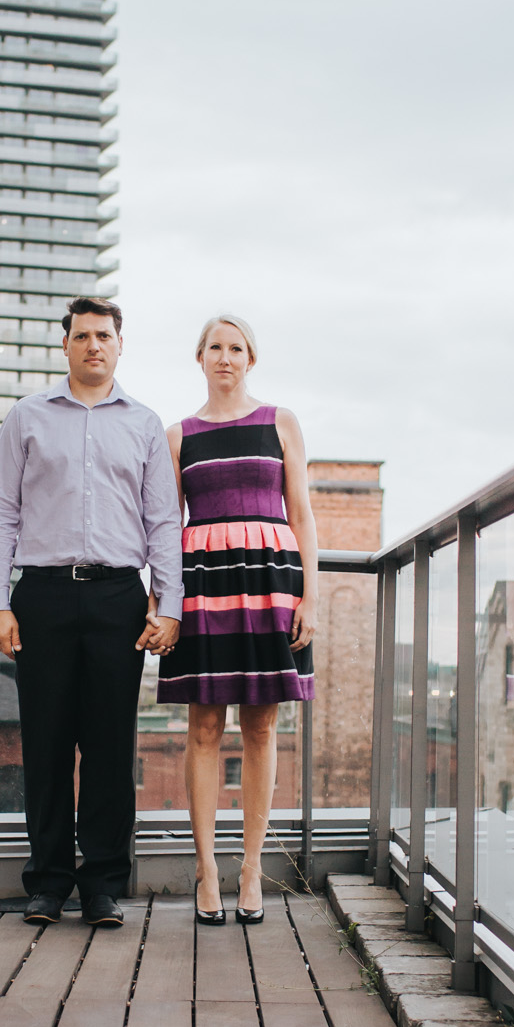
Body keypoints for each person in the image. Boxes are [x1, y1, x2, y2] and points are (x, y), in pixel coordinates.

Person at [0, 297, 182, 927]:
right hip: (40, 595)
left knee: (109, 746)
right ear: (65, 345)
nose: (94, 345)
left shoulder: (144, 424)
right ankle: (46, 882)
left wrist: (168, 604)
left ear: (121, 346)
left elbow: (162, 521)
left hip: (118, 597)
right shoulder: (27, 418)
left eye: (105, 336)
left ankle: (101, 884)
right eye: (83, 335)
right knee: (44, 745)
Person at [156, 314, 317, 925]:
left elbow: (301, 512)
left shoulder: (280, 421)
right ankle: (206, 871)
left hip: (271, 584)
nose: (226, 357)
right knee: (203, 729)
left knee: (261, 727)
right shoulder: (177, 436)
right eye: (215, 347)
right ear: (200, 358)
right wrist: (164, 601)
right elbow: (167, 527)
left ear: (251, 359)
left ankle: (251, 868)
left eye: (237, 348)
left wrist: (312, 597)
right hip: (203, 587)